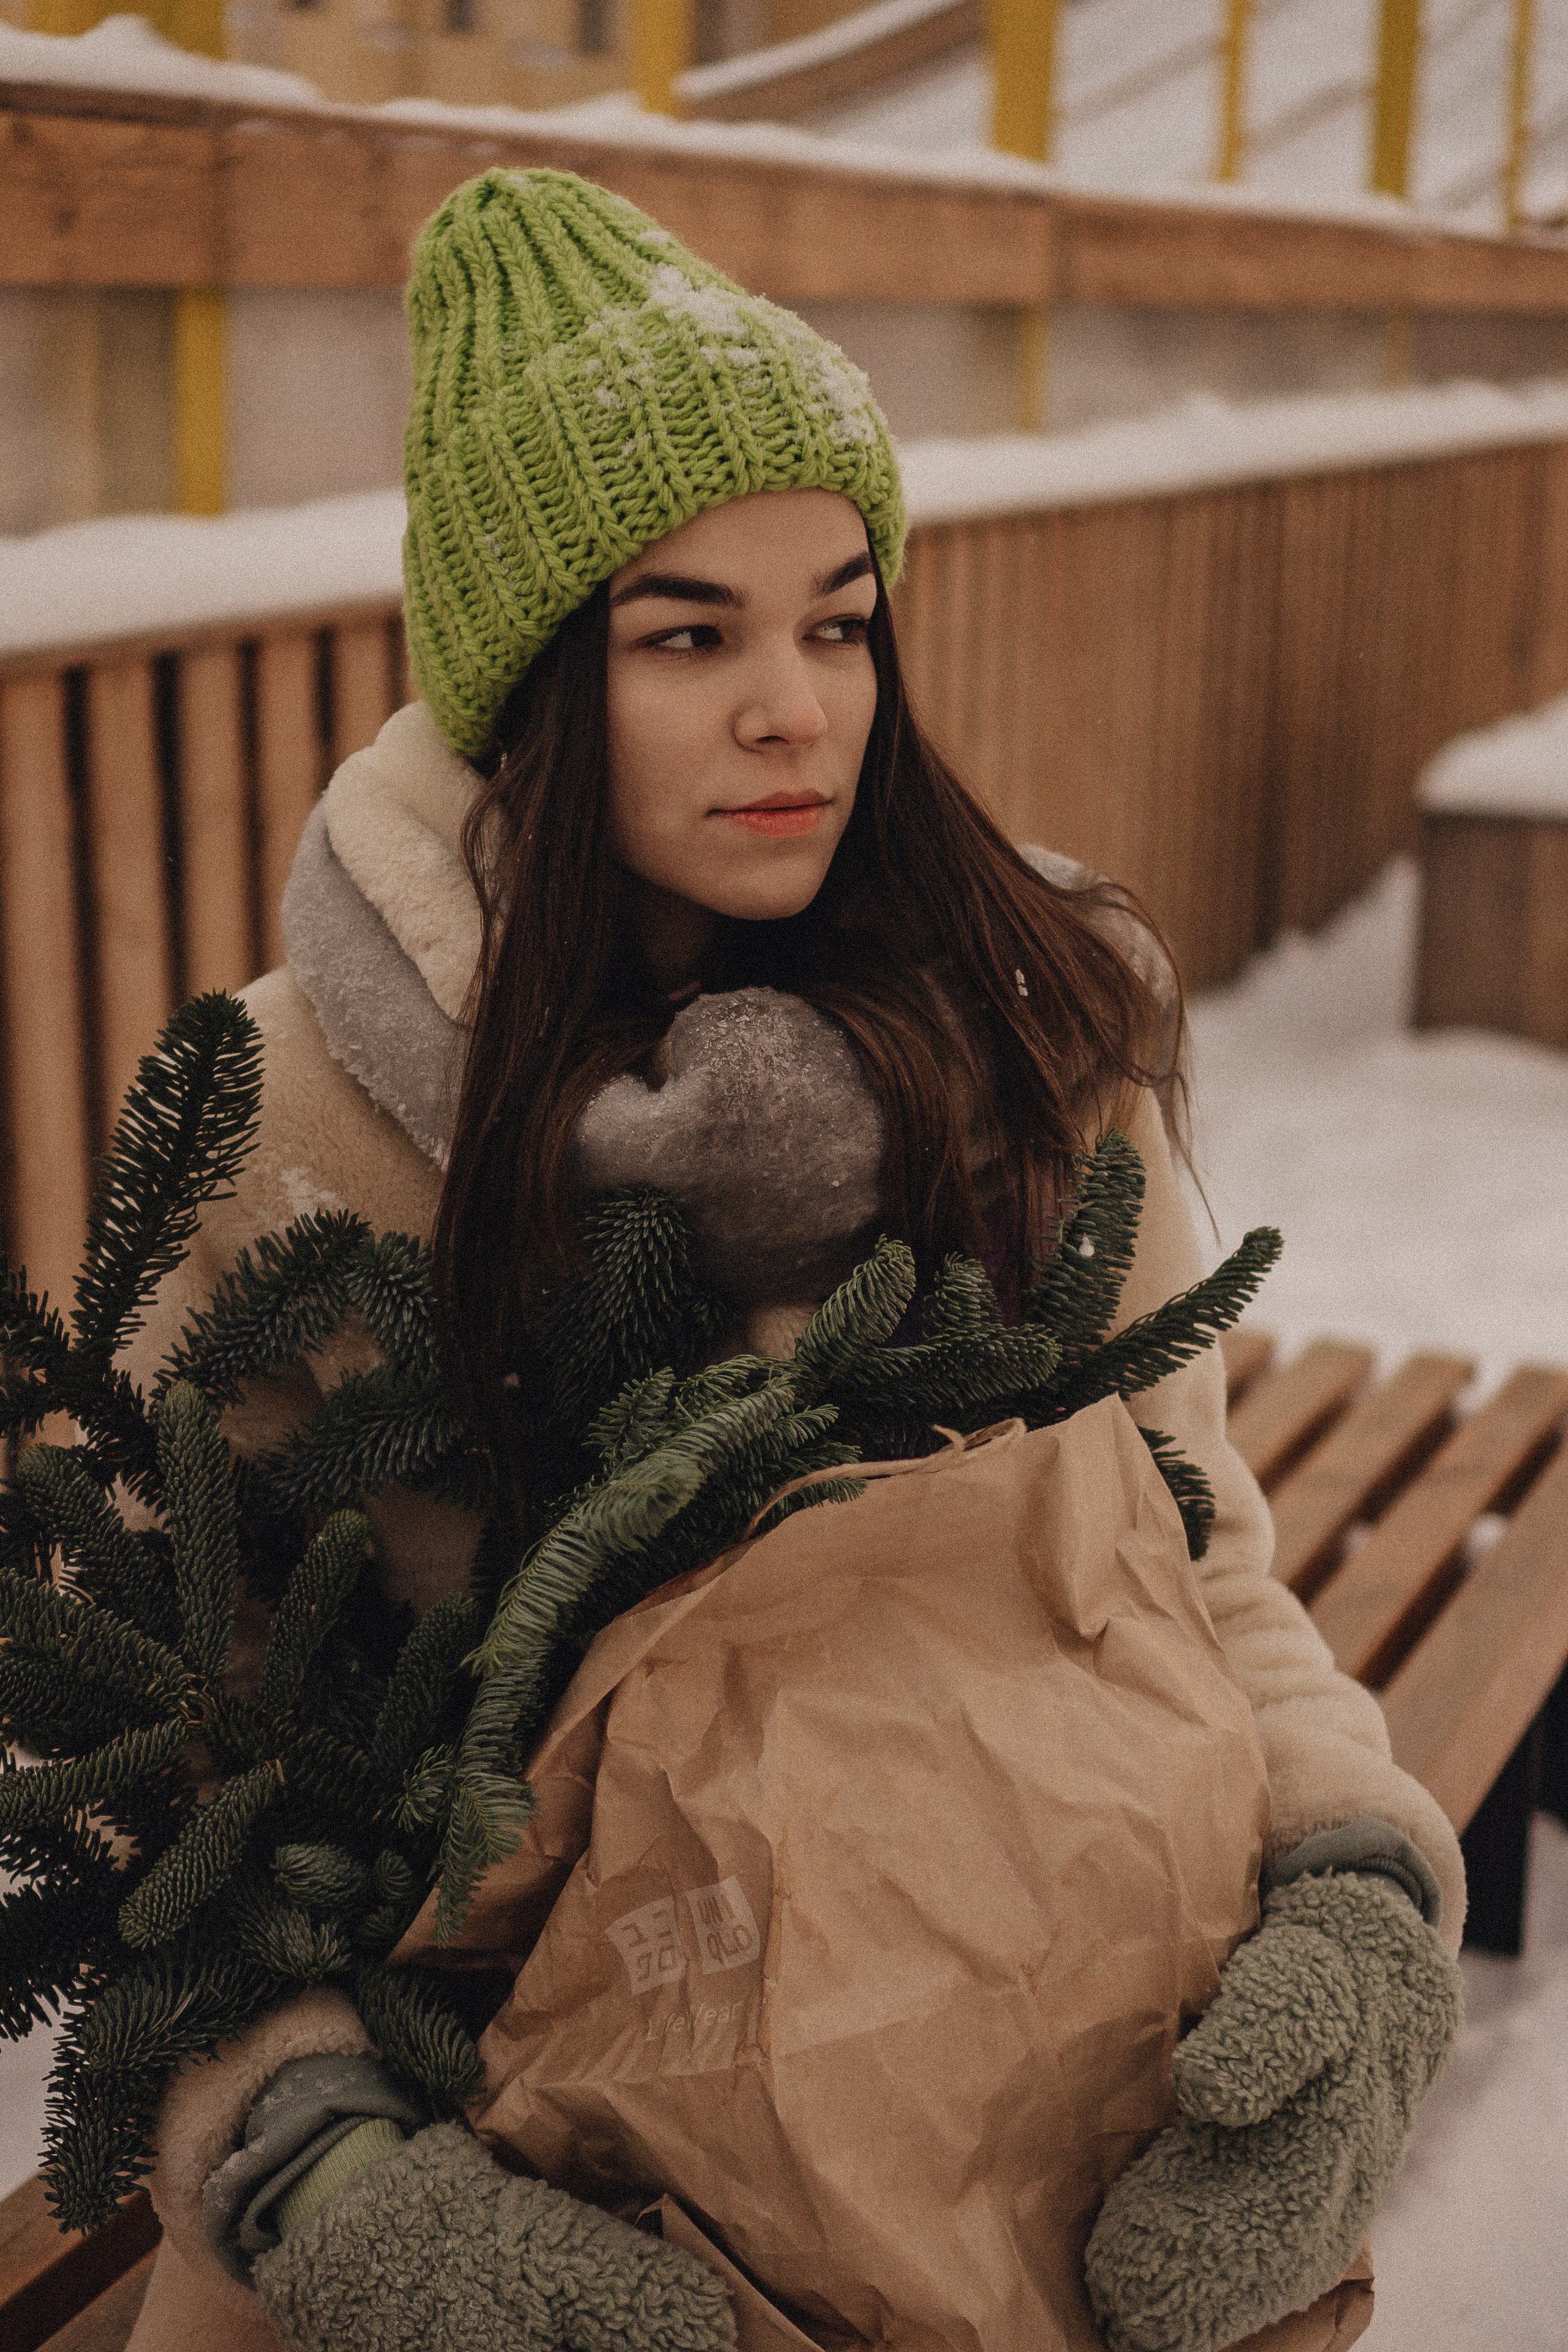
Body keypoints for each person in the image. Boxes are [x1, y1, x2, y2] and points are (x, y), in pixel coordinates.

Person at [123, 168, 1461, 2352]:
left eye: (839, 620)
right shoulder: (281, 1116)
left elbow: (1189, 1546)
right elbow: (163, 1732)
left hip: (1007, 2100)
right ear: (540, 680)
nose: (797, 712)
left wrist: (1362, 1886)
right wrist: (319, 2174)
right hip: (476, 2134)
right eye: (691, 634)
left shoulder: (1020, 1031)